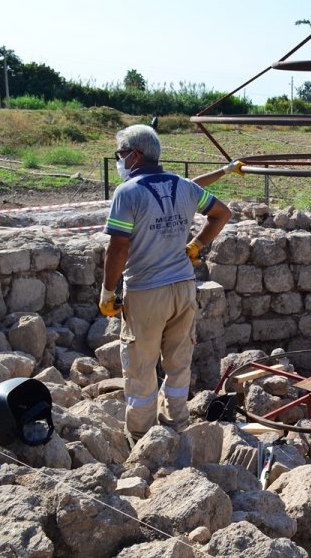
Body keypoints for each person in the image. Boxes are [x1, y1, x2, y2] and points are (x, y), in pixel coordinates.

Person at [99, 124, 232, 444]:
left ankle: (142, 438)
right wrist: (197, 246)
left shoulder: (127, 193)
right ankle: (176, 424)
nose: (119, 161)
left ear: (135, 154)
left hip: (146, 292)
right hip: (184, 289)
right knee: (178, 362)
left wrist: (107, 292)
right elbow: (222, 213)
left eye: (121, 155)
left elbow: (118, 247)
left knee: (140, 367)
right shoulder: (183, 185)